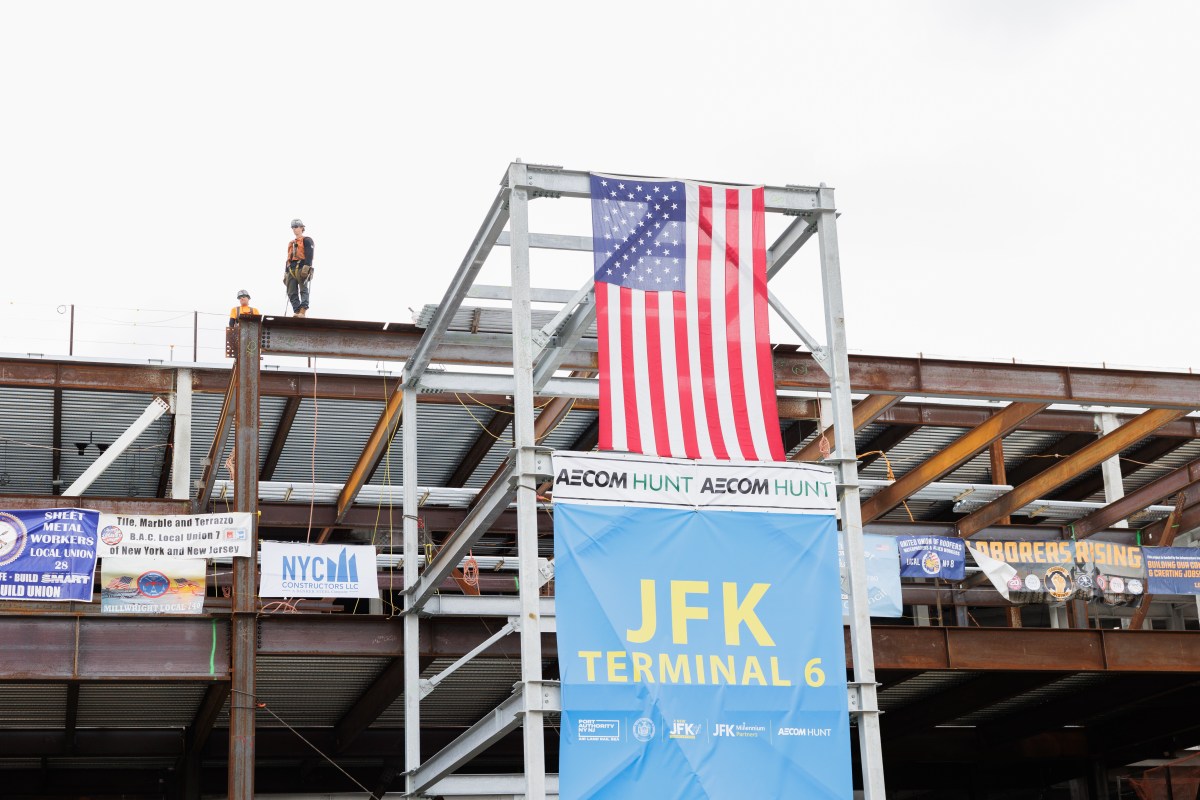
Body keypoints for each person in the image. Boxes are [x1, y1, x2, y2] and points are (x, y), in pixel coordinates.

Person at [284, 218, 314, 317]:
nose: (294, 229)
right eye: (293, 227)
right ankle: (296, 311)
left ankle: (302, 311)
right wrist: (285, 272)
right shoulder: (291, 243)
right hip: (291, 269)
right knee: (291, 292)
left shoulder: (307, 240)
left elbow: (309, 254)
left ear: (302, 228)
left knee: (303, 289)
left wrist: (307, 267)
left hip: (301, 267)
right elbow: (288, 258)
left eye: (296, 227)